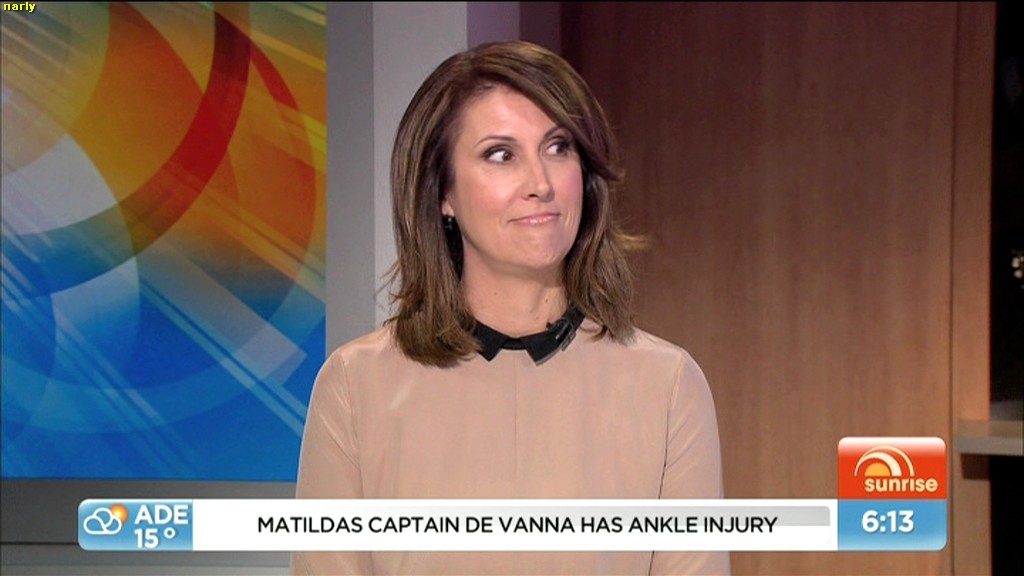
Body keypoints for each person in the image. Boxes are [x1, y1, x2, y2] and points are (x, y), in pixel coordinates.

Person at [292, 40, 729, 575]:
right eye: (501, 155)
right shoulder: (355, 386)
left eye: (558, 147)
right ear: (442, 193)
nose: (540, 184)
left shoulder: (668, 387)